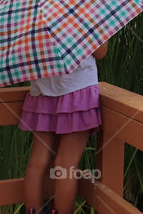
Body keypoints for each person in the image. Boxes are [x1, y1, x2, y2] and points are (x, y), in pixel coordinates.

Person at [18, 41, 108, 214]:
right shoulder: (84, 14)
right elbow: (101, 52)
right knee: (66, 165)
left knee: (37, 162)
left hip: (42, 91)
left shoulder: (34, 15)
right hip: (78, 92)